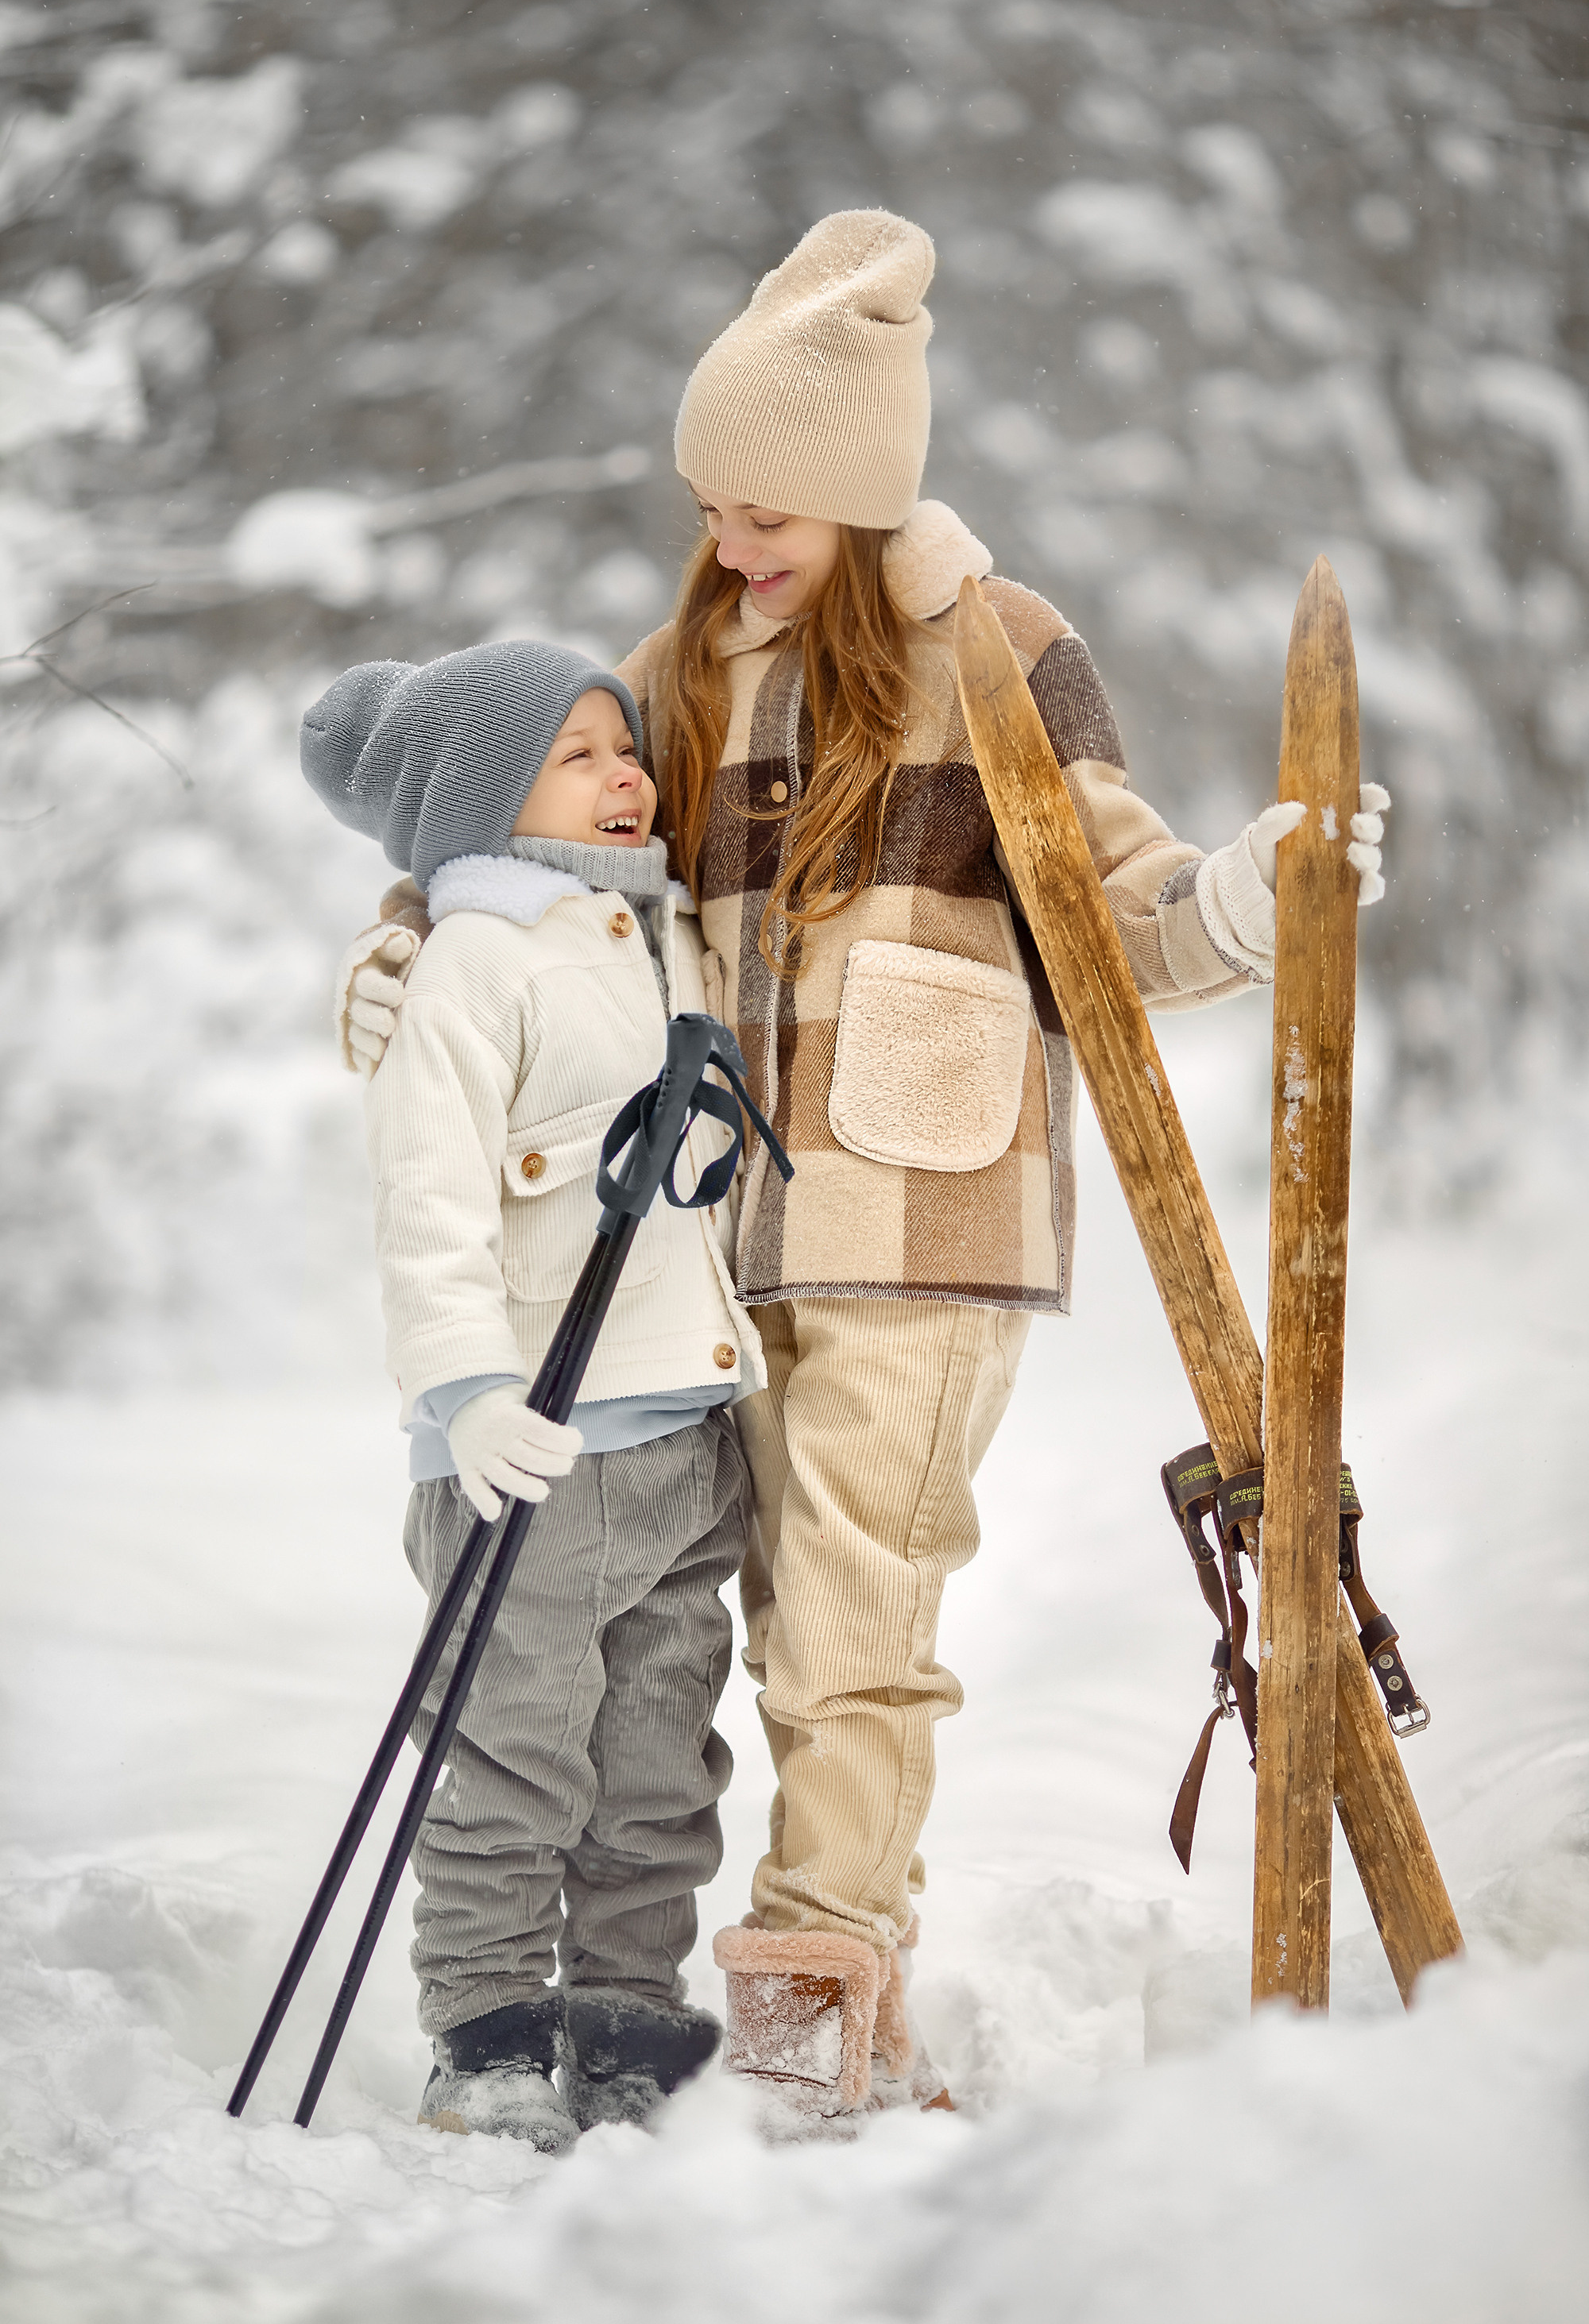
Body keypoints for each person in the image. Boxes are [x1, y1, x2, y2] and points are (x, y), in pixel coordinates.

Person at [339, 211, 1388, 2133]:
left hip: (922, 1216)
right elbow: (545, 874)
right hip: (698, 1256)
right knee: (694, 1636)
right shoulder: (672, 668)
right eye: (714, 502)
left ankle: (815, 2010)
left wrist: (1247, 898)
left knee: (845, 1629)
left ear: (857, 489)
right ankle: (653, 1996)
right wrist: (411, 951)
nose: (733, 539)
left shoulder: (992, 650)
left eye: (769, 510)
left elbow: (1119, 903)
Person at [303, 639, 762, 2151]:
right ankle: (490, 2029)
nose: (627, 774)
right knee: (510, 1749)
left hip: (682, 1434)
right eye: (579, 753)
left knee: (657, 1754)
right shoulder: (471, 965)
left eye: (623, 747)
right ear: (487, 803)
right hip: (531, 1450)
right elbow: (427, 1205)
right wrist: (466, 1391)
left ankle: (628, 2014)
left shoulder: (655, 929)